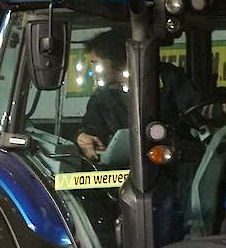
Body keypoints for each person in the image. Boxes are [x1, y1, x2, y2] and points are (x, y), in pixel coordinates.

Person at [76, 29, 201, 161]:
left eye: (95, 63)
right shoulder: (102, 96)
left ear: (112, 59)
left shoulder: (166, 77)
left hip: (174, 162)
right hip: (125, 167)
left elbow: (197, 110)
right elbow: (91, 125)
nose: (92, 70)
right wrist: (84, 136)